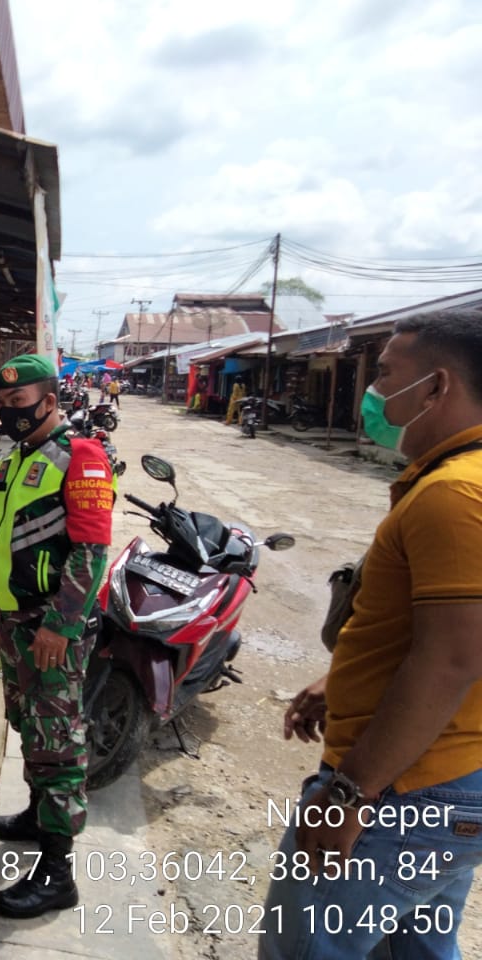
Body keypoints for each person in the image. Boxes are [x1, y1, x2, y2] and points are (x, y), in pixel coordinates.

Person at [260, 311, 482, 960]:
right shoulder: (454, 482)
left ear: (436, 387)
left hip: (406, 793)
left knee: (307, 948)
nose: (372, 392)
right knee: (417, 948)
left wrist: (350, 792)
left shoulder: (455, 495)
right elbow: (430, 632)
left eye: (385, 375)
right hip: (448, 781)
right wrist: (341, 679)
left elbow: (452, 659)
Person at [0, 354, 116, 918]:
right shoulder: (18, 458)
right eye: (2, 404)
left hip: (51, 625)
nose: (9, 413)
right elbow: (2, 536)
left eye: (19, 403)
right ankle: (36, 814)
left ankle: (57, 872)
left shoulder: (82, 457)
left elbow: (91, 552)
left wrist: (61, 625)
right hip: (15, 621)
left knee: (57, 739)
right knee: (29, 724)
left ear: (50, 402)